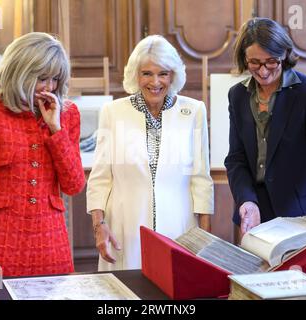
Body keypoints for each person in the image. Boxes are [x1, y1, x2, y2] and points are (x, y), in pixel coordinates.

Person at [0, 32, 85, 298]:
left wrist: (55, 129)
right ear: (20, 71)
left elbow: (73, 185)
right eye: (41, 77)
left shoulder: (67, 114)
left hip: (50, 246)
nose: (48, 86)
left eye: (55, 78)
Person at [86, 35, 214, 271]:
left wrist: (204, 238)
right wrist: (99, 226)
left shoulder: (193, 111)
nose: (155, 82)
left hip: (180, 230)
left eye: (163, 73)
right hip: (124, 230)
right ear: (136, 75)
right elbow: (100, 177)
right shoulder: (113, 112)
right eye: (147, 73)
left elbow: (201, 179)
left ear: (173, 75)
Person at [224, 18, 306, 240]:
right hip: (255, 214)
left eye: (271, 62)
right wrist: (246, 200)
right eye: (254, 62)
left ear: (284, 55)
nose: (263, 71)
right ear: (244, 58)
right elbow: (236, 159)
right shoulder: (237, 95)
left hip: (303, 216)